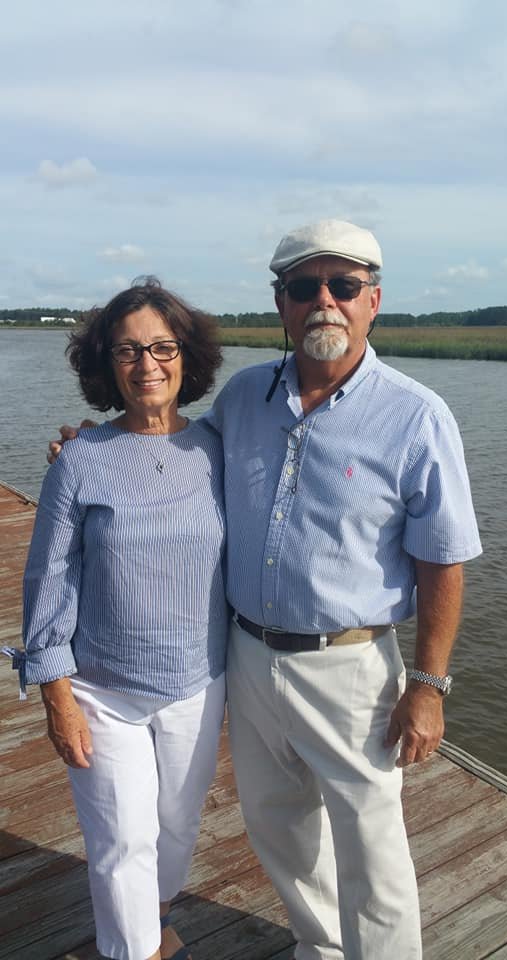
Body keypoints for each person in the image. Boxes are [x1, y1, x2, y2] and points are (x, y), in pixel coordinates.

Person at [49, 220, 482, 960]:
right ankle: (319, 951)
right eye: (303, 287)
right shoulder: (246, 398)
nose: (324, 302)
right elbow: (171, 450)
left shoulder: (416, 415)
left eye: (342, 286)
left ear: (373, 299)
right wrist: (97, 445)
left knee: (372, 852)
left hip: (351, 669)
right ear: (280, 303)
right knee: (280, 832)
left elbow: (444, 561)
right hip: (246, 659)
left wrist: (430, 684)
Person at [10, 279, 228, 960]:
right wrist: (57, 695)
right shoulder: (78, 462)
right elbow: (47, 580)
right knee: (120, 841)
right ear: (106, 364)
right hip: (103, 690)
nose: (147, 365)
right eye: (128, 351)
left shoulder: (219, 450)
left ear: (186, 358)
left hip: (199, 681)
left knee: (174, 828)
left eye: (163, 347)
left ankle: (150, 928)